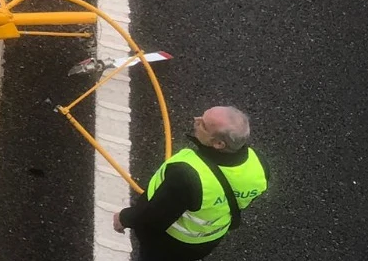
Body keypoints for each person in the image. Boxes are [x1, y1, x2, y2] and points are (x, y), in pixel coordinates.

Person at [114, 105, 267, 260]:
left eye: (203, 124)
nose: (196, 120)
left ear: (219, 144)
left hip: (169, 243)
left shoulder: (187, 173)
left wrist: (124, 218)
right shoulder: (260, 165)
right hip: (208, 240)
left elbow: (151, 219)